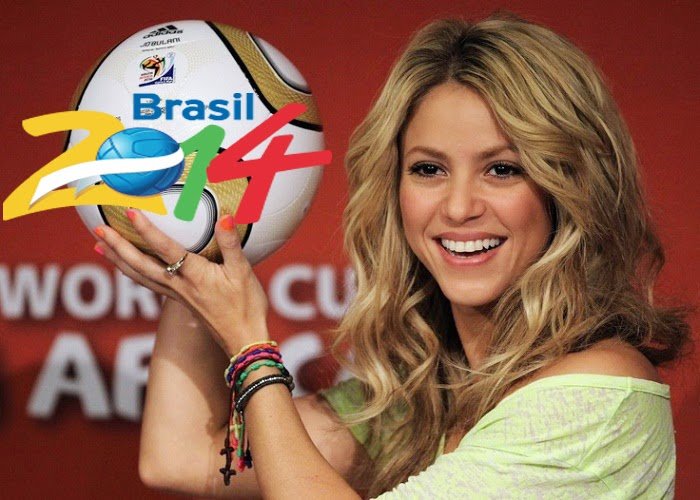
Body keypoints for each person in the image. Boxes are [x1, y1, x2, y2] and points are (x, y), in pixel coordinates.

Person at [93, 14, 691, 499]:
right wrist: (195, 245)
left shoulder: (598, 397)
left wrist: (250, 345)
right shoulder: (422, 402)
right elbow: (185, 458)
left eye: (503, 169)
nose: (459, 207)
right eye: (428, 169)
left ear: (569, 187)